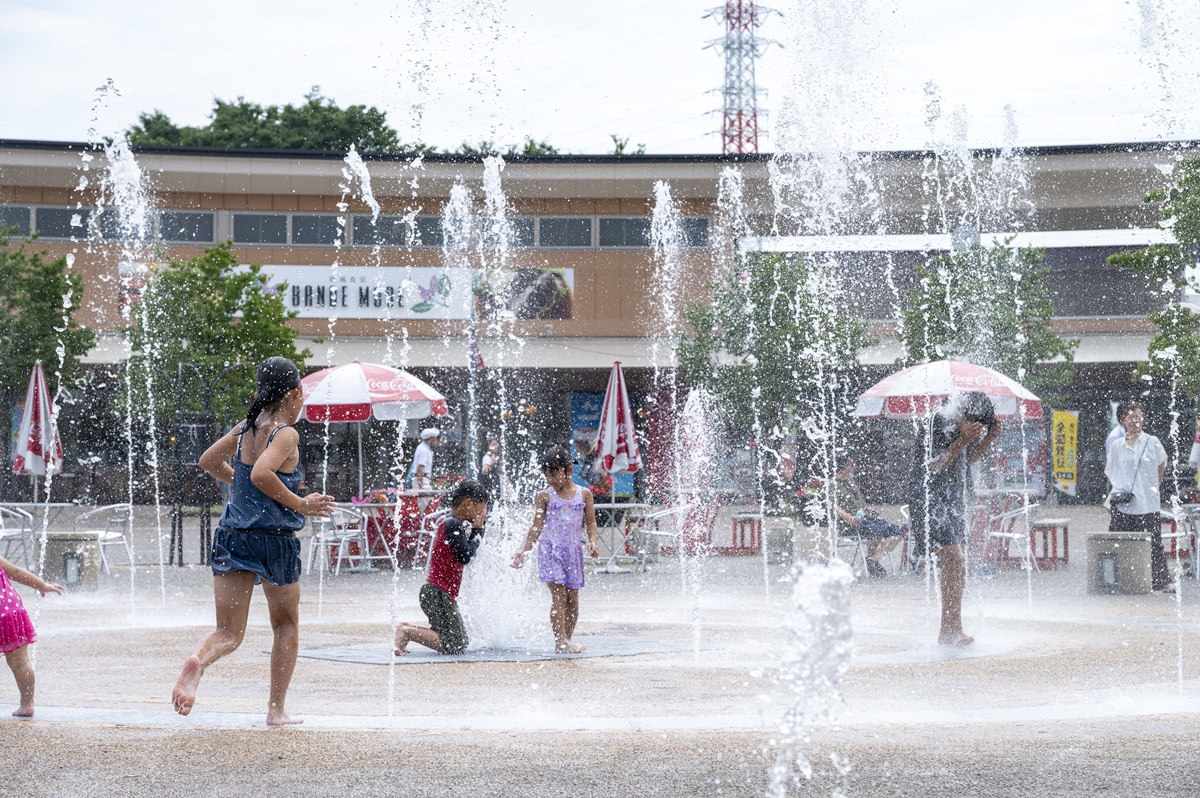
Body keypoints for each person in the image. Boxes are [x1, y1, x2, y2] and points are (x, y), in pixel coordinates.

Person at [172, 357, 335, 725]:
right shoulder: (286, 434)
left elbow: (208, 461)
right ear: (296, 392)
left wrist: (241, 484)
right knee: (285, 625)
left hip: (233, 537)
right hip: (274, 542)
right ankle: (276, 710)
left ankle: (198, 662)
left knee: (228, 632)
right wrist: (301, 504)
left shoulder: (246, 428)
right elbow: (262, 473)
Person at [907, 391, 1001, 647]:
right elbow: (932, 466)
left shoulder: (965, 426)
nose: (974, 431)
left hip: (953, 499)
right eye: (974, 425)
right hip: (928, 498)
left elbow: (966, 459)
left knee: (960, 561)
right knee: (953, 557)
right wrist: (963, 439)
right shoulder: (936, 421)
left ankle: (952, 627)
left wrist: (988, 439)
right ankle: (949, 630)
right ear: (962, 413)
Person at [511, 445, 601, 654]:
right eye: (547, 475)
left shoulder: (584, 494)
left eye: (554, 474)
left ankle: (567, 639)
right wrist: (524, 550)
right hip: (550, 551)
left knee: (573, 599)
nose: (550, 479)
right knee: (559, 597)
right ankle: (560, 641)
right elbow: (536, 526)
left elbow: (591, 523)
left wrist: (592, 541)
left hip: (573, 552)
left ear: (568, 470)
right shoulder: (545, 496)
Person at [393, 479, 489, 656]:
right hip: (437, 593)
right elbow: (465, 557)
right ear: (468, 503)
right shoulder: (452, 524)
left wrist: (477, 530)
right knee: (454, 645)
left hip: (440, 593)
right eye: (481, 509)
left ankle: (406, 630)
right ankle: (406, 631)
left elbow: (465, 553)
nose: (483, 514)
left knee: (459, 641)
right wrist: (477, 529)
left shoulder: (452, 523)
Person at [1105, 401, 1172, 593]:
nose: (1135, 420)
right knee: (1117, 541)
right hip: (1123, 503)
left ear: (1144, 420)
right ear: (1123, 421)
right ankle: (1117, 580)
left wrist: (1153, 485)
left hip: (1147, 502)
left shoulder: (1152, 441)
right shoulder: (1117, 445)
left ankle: (1161, 581)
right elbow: (1111, 471)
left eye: (1138, 416)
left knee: (1154, 543)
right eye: (1130, 416)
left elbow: (1162, 463)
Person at [0, 555, 62, 718]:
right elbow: (15, 571)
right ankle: (27, 704)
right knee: (20, 663)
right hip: (9, 611)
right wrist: (42, 585)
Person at [833, 457, 903, 578]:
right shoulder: (832, 484)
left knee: (898, 531)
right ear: (842, 467)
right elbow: (834, 506)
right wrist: (849, 518)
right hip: (850, 524)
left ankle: (873, 559)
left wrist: (871, 512)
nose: (853, 468)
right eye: (850, 465)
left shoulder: (851, 482)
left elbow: (860, 507)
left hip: (865, 520)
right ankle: (872, 563)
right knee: (875, 531)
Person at [480, 435, 503, 503]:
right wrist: (491, 463)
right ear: (488, 446)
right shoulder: (487, 457)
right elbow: (484, 471)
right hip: (490, 488)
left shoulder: (494, 456)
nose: (496, 446)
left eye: (496, 444)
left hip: (495, 488)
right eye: (493, 444)